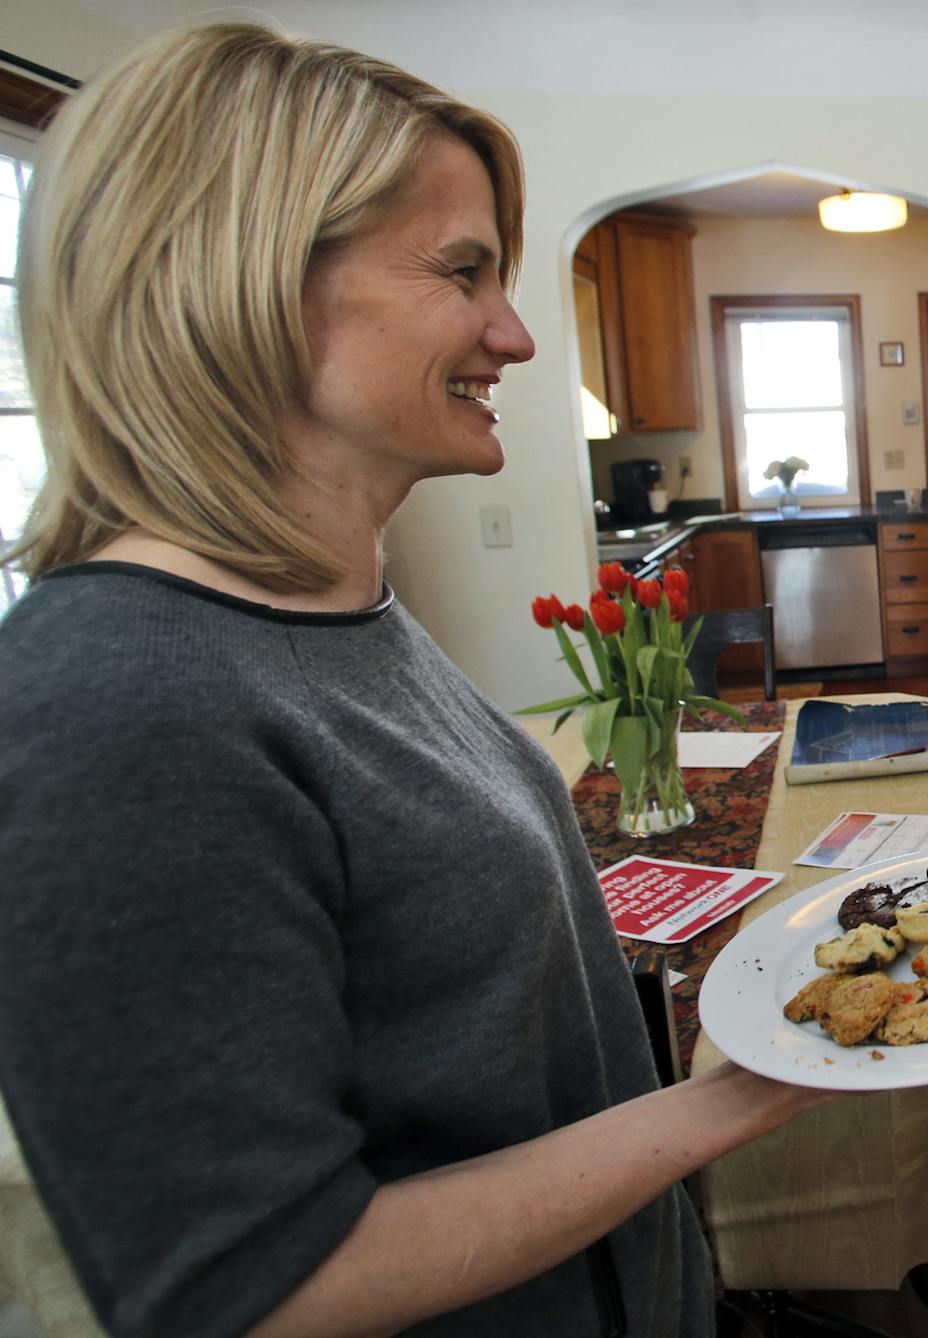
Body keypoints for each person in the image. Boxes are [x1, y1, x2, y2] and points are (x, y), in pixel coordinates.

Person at [0, 24, 832, 1337]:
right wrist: (742, 1095)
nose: (513, 333)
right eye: (463, 271)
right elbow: (256, 1289)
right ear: (249, 278)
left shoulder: (336, 609)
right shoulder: (115, 700)